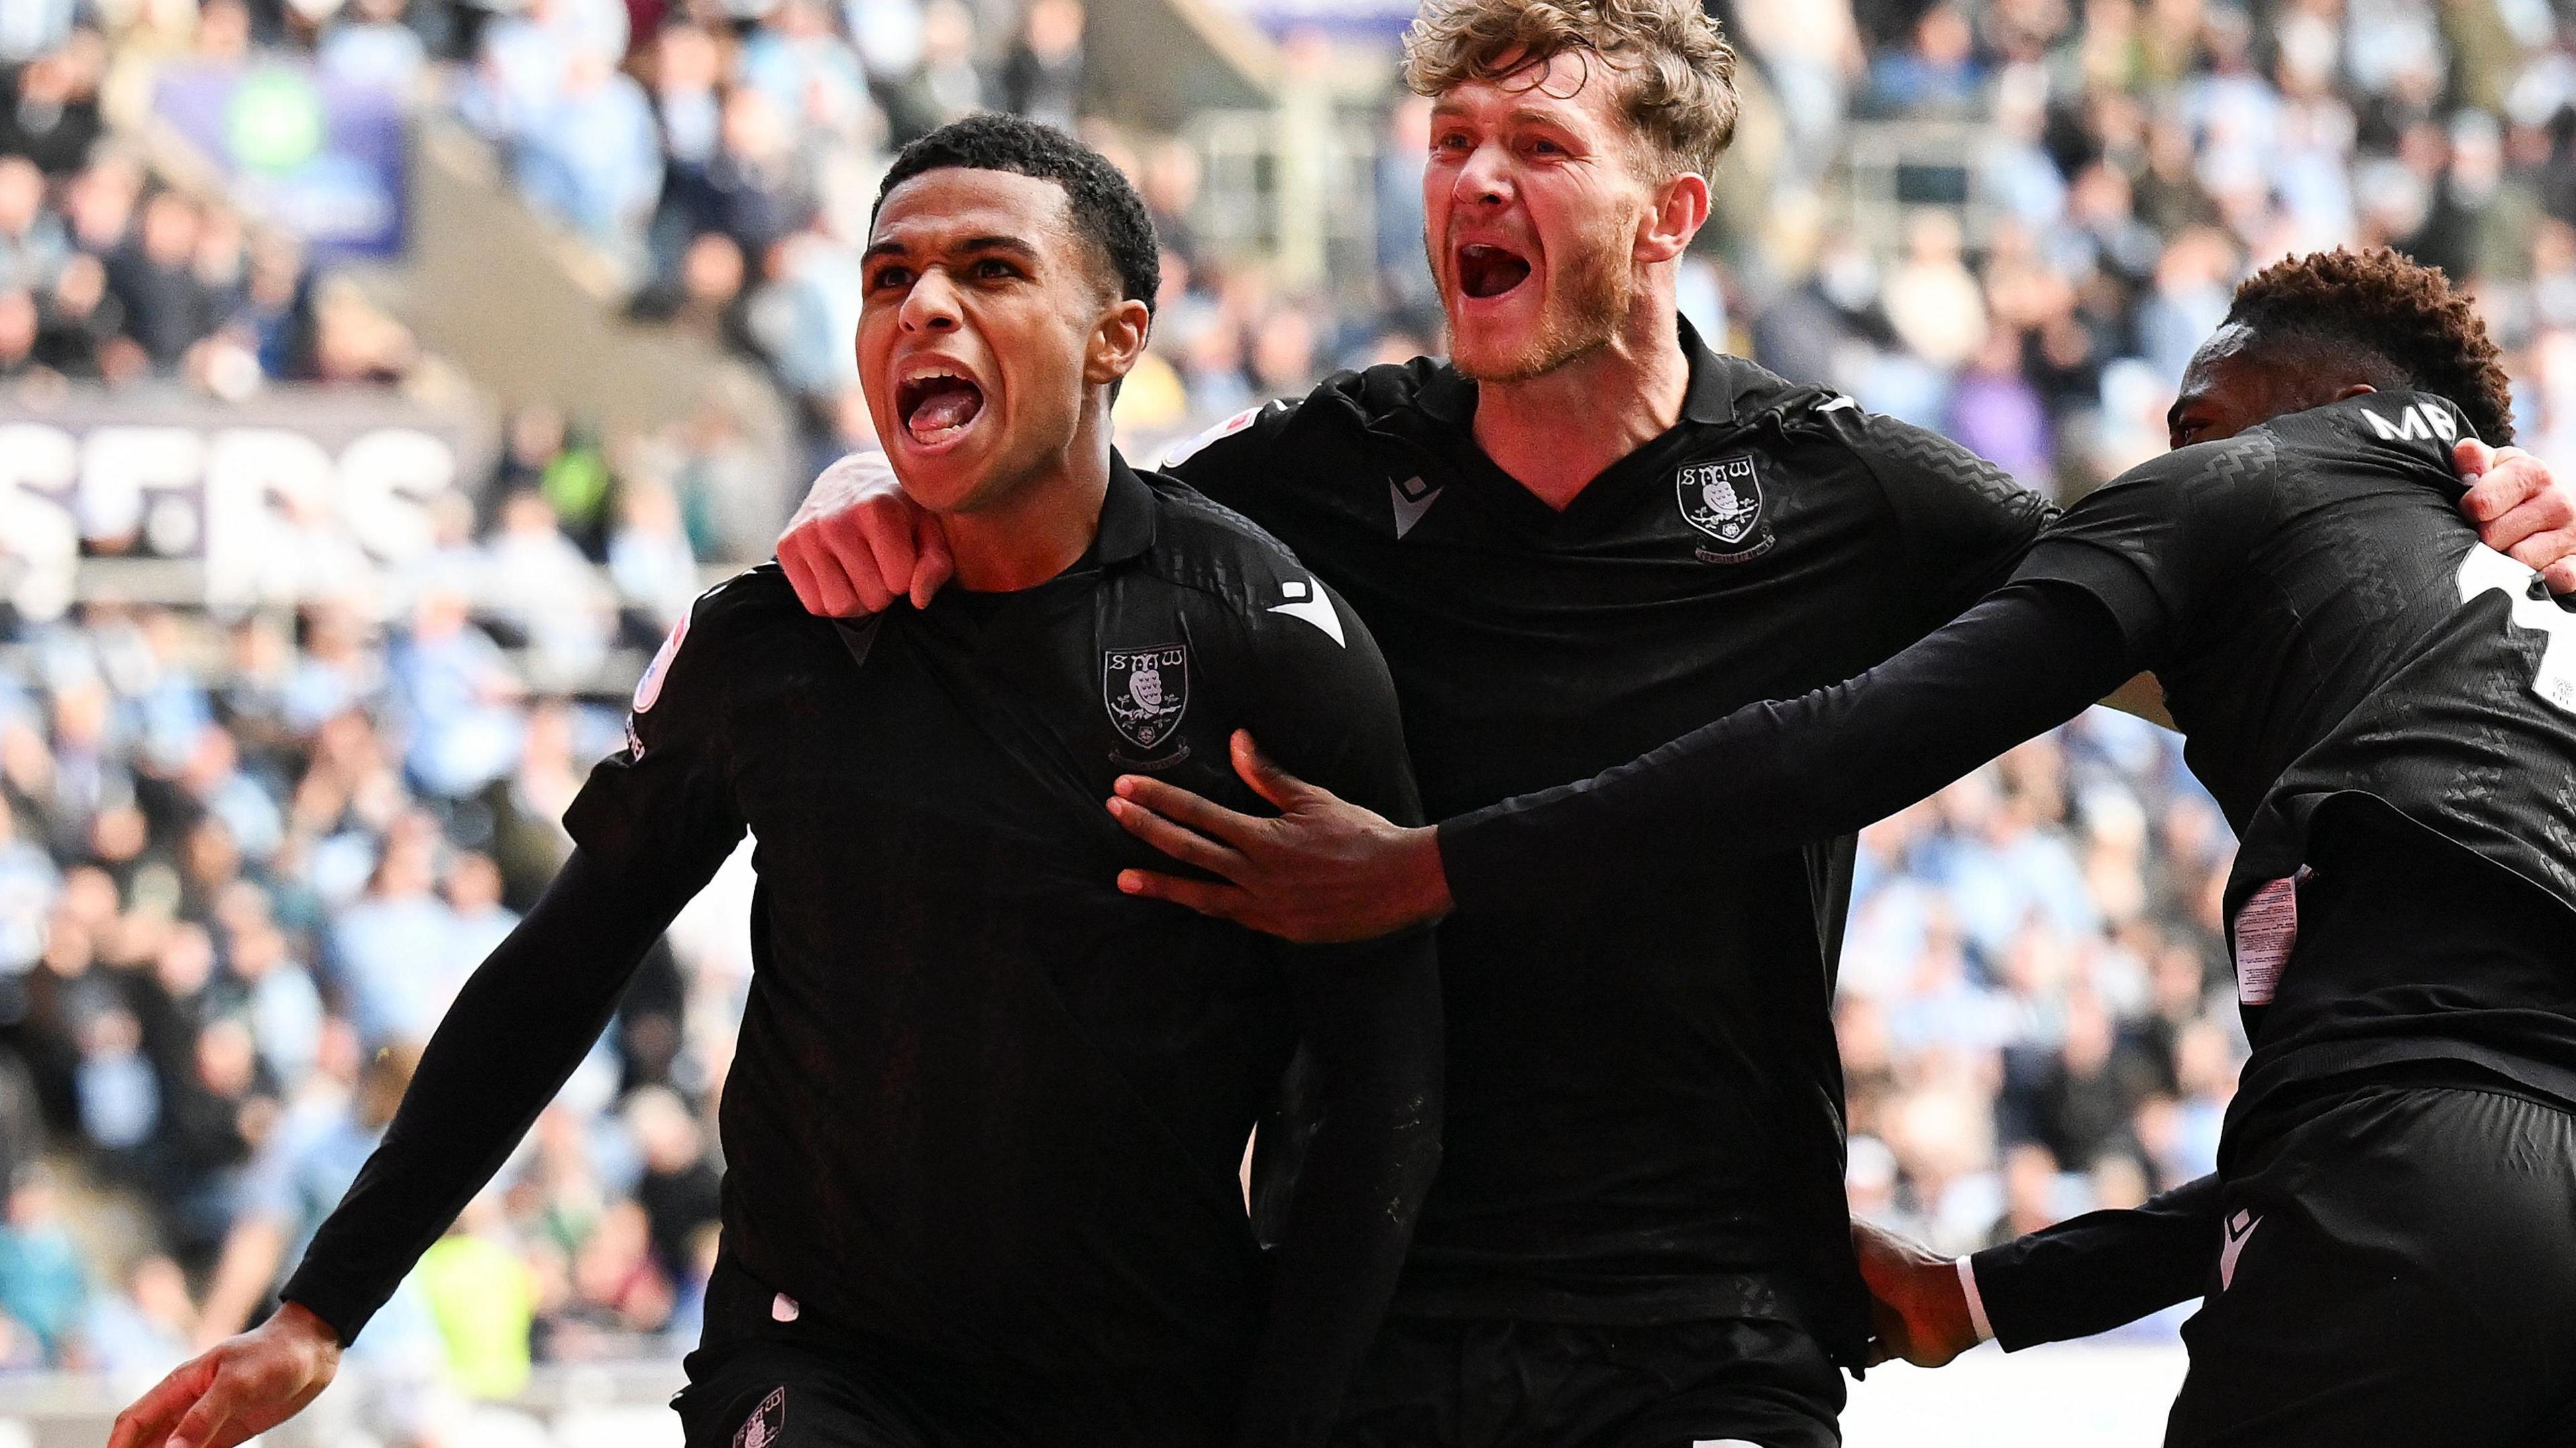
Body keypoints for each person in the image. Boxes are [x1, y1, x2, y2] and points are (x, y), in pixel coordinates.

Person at [773, 3, 2576, 1443]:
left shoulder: (1856, 488)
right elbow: (1061, 527)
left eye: (1536, 146)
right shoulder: (1331, 470)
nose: (1475, 180)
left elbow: (2246, 637)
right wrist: (873, 486)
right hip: (1384, 1302)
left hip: (1715, 1314)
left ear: (1669, 215)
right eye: (1451, 144)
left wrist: (2493, 534)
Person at [106, 114, 1443, 1448]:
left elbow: (1383, 1080)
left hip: (1151, 1380)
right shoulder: (771, 640)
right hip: (825, 1361)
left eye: (989, 270)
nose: (922, 304)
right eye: (886, 277)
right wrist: (321, 1310)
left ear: (1118, 338)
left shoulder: (1263, 641)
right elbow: (561, 966)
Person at [1099, 247, 2576, 1445]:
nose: (2158, 454)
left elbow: (1825, 747)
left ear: (2316, 404)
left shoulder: (2233, 488)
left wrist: (1422, 867)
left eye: (2191, 416)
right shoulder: (2525, 597)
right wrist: (1996, 1298)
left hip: (2387, 1196)